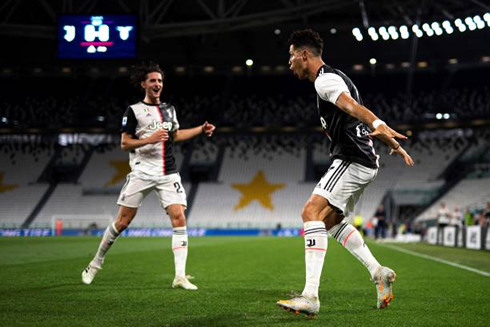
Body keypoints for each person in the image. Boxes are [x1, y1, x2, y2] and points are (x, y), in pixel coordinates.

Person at [277, 29, 414, 317]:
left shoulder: (325, 80)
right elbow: (359, 120)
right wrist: (390, 142)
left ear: (304, 55)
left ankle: (310, 296)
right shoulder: (334, 77)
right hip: (365, 162)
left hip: (352, 160)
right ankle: (378, 271)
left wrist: (381, 123)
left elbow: (351, 107)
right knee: (329, 223)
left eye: (291, 56)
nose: (289, 62)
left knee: (310, 213)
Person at [81, 62, 216, 290]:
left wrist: (200, 130)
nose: (157, 84)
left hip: (167, 172)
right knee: (123, 222)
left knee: (179, 217)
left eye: (160, 81)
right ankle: (96, 262)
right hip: (142, 171)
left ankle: (180, 276)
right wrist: (149, 139)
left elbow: (176, 135)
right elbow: (125, 143)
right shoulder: (133, 111)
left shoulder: (169, 109)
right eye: (153, 80)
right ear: (144, 84)